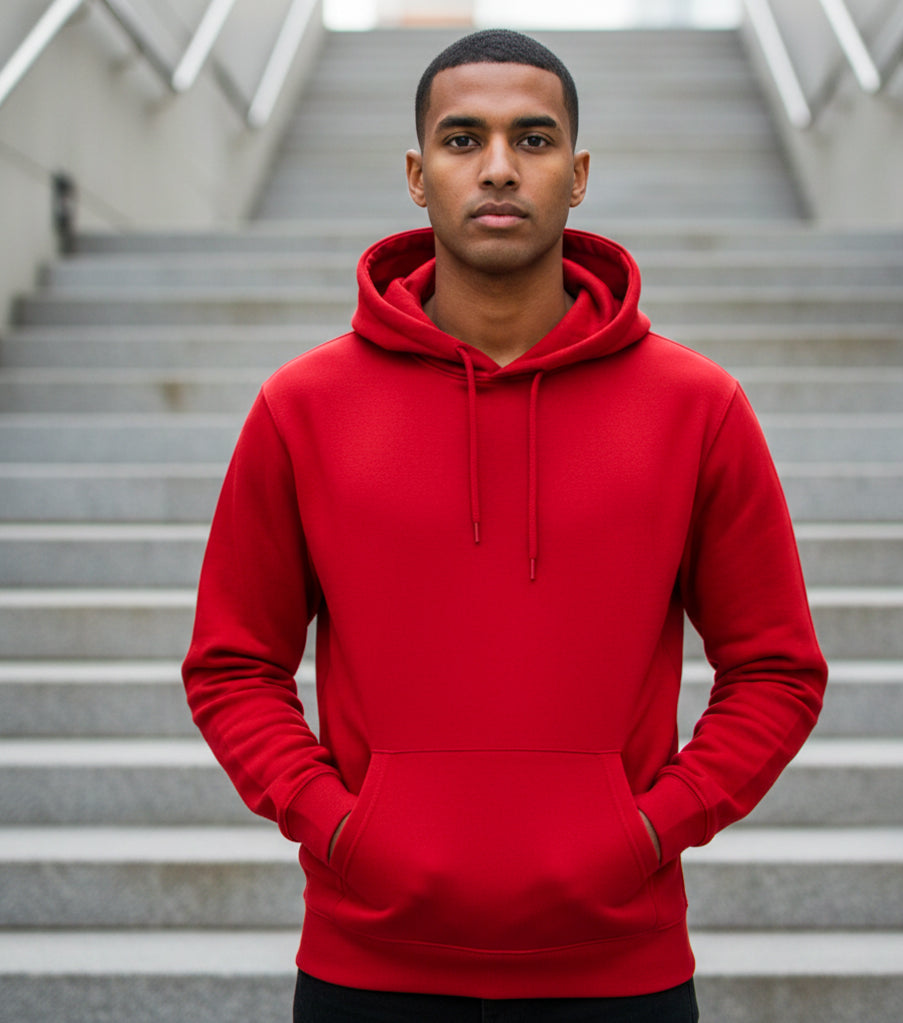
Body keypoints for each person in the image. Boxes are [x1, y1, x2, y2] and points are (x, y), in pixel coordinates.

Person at [182, 28, 827, 1023]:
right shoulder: (301, 408)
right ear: (416, 173)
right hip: (370, 965)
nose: (496, 168)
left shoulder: (698, 408)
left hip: (619, 967)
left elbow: (779, 669)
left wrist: (650, 830)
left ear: (576, 175)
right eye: (462, 138)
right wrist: (340, 828)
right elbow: (233, 665)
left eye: (532, 140)